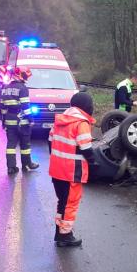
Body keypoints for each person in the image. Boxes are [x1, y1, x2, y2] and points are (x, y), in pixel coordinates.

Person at [48, 92, 95, 247]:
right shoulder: (81, 123)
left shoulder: (60, 120)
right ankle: (65, 236)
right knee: (70, 204)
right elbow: (87, 149)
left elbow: (50, 142)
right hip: (72, 173)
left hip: (57, 171)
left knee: (62, 202)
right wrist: (94, 163)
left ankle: (59, 232)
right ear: (86, 106)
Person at [0, 66, 39, 174]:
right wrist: (31, 120)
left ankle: (11, 167)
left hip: (9, 120)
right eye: (26, 75)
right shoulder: (23, 88)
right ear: (21, 75)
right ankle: (26, 164)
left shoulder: (5, 88)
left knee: (11, 145)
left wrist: (3, 120)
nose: (27, 77)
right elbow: (26, 107)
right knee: (25, 144)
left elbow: (2, 107)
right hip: (22, 122)